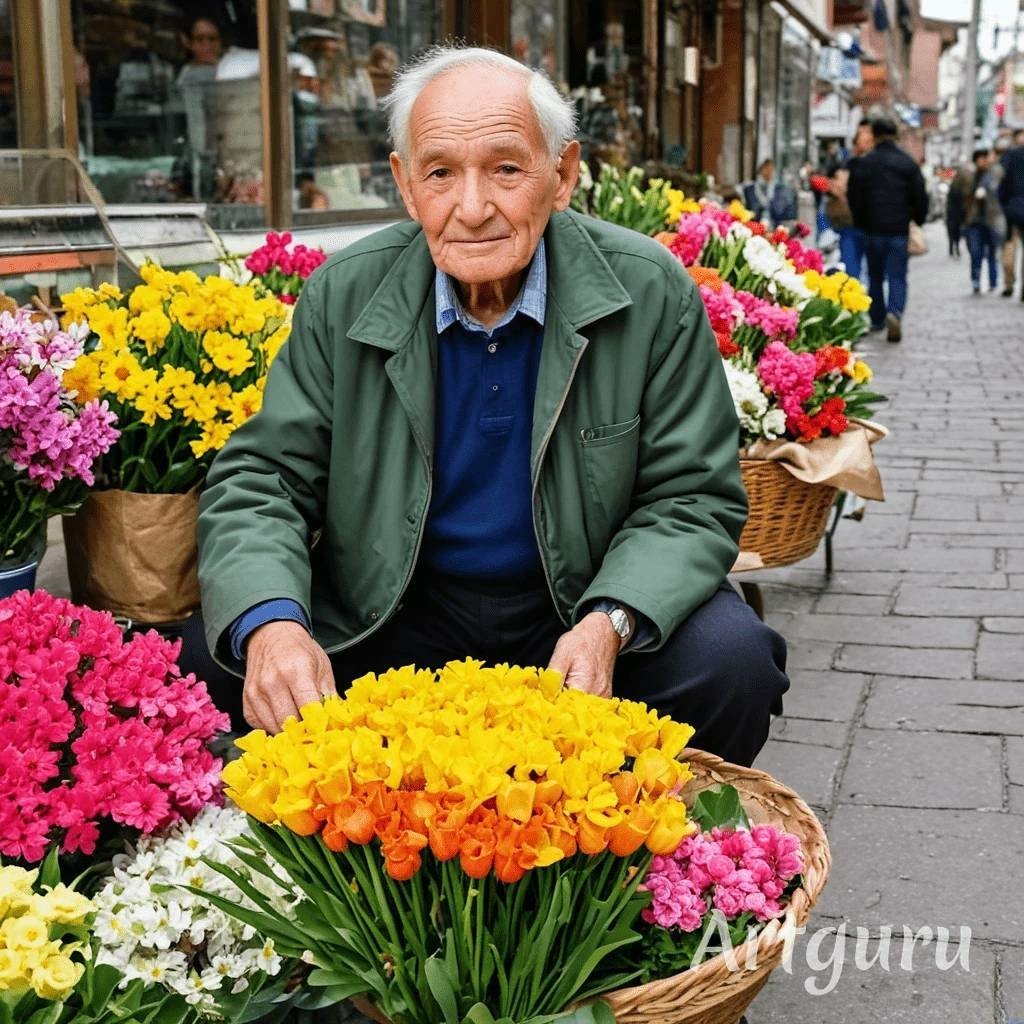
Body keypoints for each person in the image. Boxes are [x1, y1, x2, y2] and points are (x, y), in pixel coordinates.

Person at [185, 45, 788, 768]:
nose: (472, 209)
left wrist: (610, 620)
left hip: (574, 608)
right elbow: (262, 483)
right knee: (214, 659)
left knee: (732, 664)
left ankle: (635, 847)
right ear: (407, 188)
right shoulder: (343, 293)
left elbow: (691, 497)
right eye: (440, 173)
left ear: (562, 176)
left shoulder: (648, 291)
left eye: (506, 168)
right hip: (393, 610)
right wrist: (274, 627)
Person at [847, 118, 929, 343]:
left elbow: (854, 197)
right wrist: (916, 219)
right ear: (896, 134)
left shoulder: (864, 163)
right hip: (898, 230)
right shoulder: (907, 163)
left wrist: (860, 222)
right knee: (897, 275)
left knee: (874, 276)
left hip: (872, 230)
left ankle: (877, 318)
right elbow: (920, 197)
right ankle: (895, 312)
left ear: (874, 135)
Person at [176, 17, 224, 200]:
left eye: (212, 39)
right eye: (200, 40)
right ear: (188, 43)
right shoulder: (187, 79)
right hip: (198, 162)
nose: (207, 46)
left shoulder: (230, 72)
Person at [951, 147, 1005, 294]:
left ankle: (993, 282)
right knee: (976, 253)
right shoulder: (967, 174)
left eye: (986, 158)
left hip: (991, 219)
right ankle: (976, 281)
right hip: (973, 220)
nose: (984, 161)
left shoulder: (995, 173)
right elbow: (956, 197)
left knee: (992, 254)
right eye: (981, 158)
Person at [825, 119, 873, 279]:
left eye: (869, 137)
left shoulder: (876, 163)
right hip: (850, 223)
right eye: (863, 136)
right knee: (852, 269)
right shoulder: (848, 163)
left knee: (869, 271)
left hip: (870, 225)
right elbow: (836, 188)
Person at [998, 129, 1024, 298]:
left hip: (1011, 210)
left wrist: (1003, 203)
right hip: (1012, 209)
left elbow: (1000, 182)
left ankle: (1009, 283)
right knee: (1009, 248)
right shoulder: (1010, 156)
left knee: (1009, 248)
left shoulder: (1009, 156)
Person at [742, 159, 797, 229]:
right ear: (760, 170)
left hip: (776, 228)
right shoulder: (750, 189)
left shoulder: (780, 189)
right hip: (755, 227)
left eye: (771, 169)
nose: (768, 172)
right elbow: (748, 210)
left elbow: (785, 212)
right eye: (766, 169)